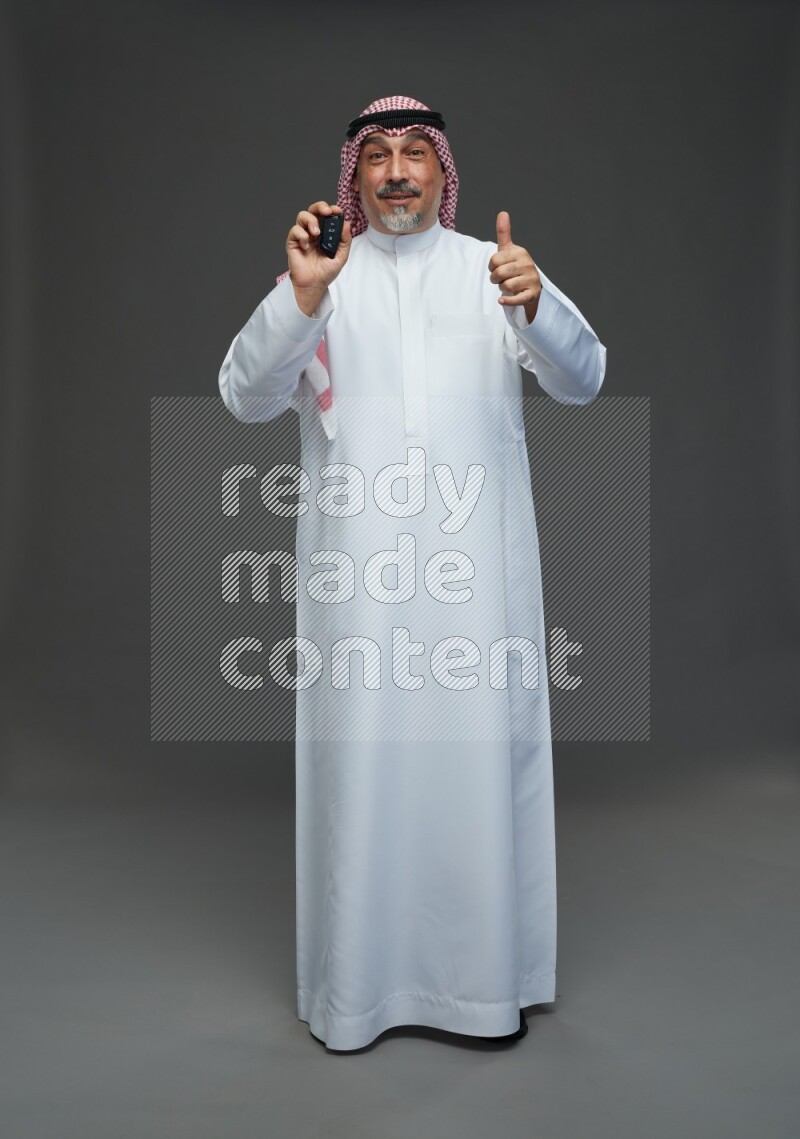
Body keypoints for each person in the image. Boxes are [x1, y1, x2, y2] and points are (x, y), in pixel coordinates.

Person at [218, 95, 606, 1051]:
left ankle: (482, 991)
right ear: (357, 174)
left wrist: (538, 301)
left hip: (480, 588)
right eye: (379, 155)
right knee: (366, 774)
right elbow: (243, 396)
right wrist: (301, 296)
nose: (397, 172)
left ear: (442, 170)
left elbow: (584, 376)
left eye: (414, 154)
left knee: (477, 769)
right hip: (361, 593)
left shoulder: (493, 272)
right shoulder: (324, 281)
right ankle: (358, 993)